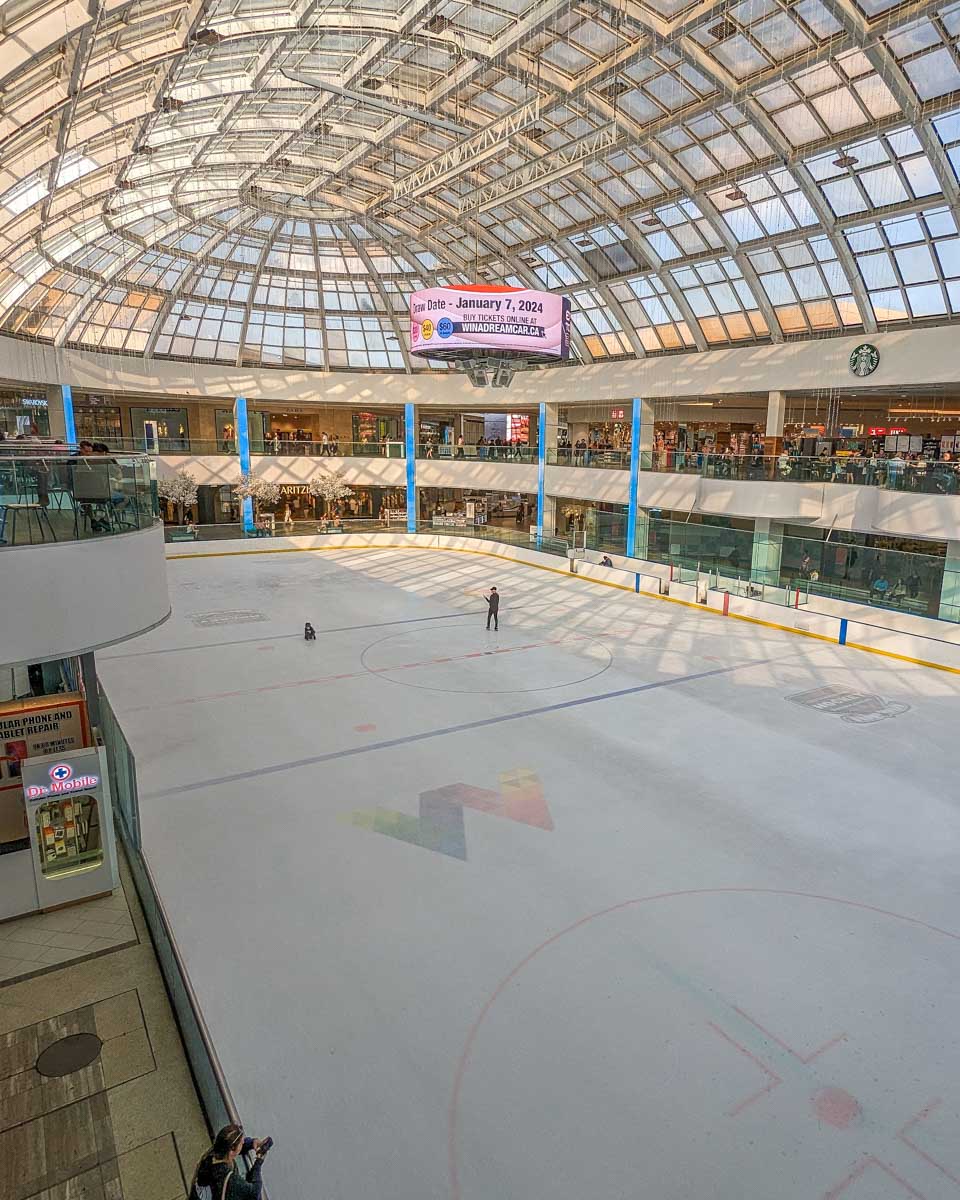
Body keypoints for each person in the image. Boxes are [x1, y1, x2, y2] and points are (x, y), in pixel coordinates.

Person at [189, 1124, 271, 1200]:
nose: (243, 1142)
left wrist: (251, 1143)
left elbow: (230, 1148)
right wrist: (259, 1162)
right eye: (241, 1143)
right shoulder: (229, 1179)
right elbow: (254, 1192)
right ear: (231, 1150)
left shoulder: (212, 1155)